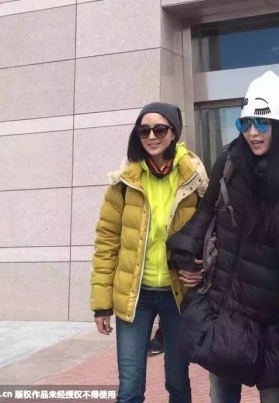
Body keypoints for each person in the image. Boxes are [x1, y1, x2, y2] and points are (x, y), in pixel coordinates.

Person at [167, 71, 279, 403]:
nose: (253, 133)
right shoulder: (230, 161)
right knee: (222, 393)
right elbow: (203, 216)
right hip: (230, 305)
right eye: (245, 123)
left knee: (275, 397)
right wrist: (186, 258)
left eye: (262, 123)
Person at [90, 102, 208, 403]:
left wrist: (203, 269)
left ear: (174, 132)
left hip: (177, 294)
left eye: (159, 129)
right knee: (130, 387)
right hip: (135, 294)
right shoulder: (124, 181)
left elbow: (213, 234)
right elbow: (107, 242)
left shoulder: (194, 177)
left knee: (178, 381)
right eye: (144, 131)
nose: (151, 136)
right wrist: (102, 305)